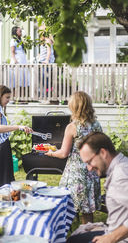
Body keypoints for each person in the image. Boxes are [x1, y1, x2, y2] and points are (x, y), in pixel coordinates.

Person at [45, 91, 102, 224]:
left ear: (74, 107)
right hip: (92, 171)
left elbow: (64, 153)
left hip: (76, 174)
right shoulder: (96, 125)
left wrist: (51, 152)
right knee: (87, 211)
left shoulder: (72, 127)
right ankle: (88, 234)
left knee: (67, 206)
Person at [67, 132, 128, 243]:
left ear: (103, 153)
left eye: (89, 162)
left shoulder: (121, 176)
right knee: (73, 239)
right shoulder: (121, 164)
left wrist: (111, 238)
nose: (89, 168)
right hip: (113, 231)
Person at [0, 85, 32, 187]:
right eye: (7, 97)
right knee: (1, 183)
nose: (8, 100)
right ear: (0, 96)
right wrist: (18, 127)